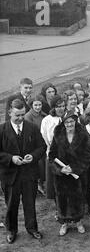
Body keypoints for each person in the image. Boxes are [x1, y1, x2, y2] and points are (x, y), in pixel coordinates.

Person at [0, 99, 46, 244]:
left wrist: (32, 156)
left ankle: (32, 228)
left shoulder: (31, 127)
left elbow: (42, 147)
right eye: (17, 116)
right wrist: (11, 158)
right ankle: (11, 230)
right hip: (10, 176)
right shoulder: (1, 130)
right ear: (9, 113)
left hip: (29, 174)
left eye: (22, 115)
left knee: (29, 203)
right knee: (11, 204)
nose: (20, 119)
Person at [49, 110, 90, 236]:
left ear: (75, 121)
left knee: (78, 198)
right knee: (62, 199)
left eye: (71, 121)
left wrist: (74, 168)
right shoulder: (57, 134)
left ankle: (78, 222)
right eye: (66, 122)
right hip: (62, 175)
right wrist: (60, 169)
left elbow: (87, 155)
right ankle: (64, 223)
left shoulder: (83, 134)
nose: (69, 124)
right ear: (63, 123)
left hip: (77, 174)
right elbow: (52, 156)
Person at [40, 95, 66, 205]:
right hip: (54, 156)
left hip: (67, 155)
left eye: (63, 106)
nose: (61, 108)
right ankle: (59, 209)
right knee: (56, 185)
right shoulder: (47, 120)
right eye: (58, 106)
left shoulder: (67, 118)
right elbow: (45, 138)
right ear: (53, 107)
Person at [25, 96, 47, 195]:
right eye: (36, 105)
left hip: (44, 142)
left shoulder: (43, 115)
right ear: (31, 105)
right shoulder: (28, 116)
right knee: (39, 164)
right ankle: (39, 184)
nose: (38, 107)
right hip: (34, 144)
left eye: (39, 105)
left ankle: (44, 182)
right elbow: (29, 132)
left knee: (45, 163)